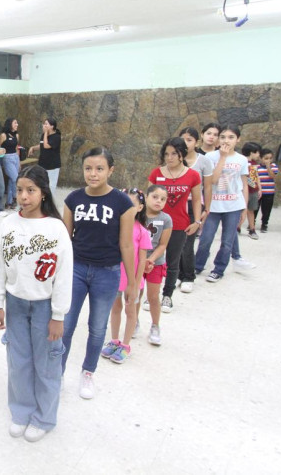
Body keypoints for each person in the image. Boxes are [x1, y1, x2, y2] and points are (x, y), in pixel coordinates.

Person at [0, 165, 72, 442]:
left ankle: (44, 417)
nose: (23, 196)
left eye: (30, 190)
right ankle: (22, 411)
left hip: (45, 307)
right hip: (15, 303)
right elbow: (0, 266)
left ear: (43, 192)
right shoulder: (8, 224)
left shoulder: (56, 228)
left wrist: (58, 315)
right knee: (18, 361)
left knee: (47, 364)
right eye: (19, 190)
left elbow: (63, 275)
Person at [61, 147, 136, 400]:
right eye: (88, 168)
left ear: (110, 170)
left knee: (97, 327)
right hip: (77, 270)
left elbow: (127, 245)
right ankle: (56, 373)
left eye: (100, 168)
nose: (93, 174)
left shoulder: (123, 203)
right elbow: (64, 239)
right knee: (66, 324)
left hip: (107, 272)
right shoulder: (73, 199)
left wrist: (132, 283)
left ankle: (88, 372)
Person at [195, 124, 256, 283]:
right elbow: (212, 181)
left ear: (238, 139)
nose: (226, 141)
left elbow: (243, 184)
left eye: (231, 137)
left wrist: (244, 207)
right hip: (213, 206)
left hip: (234, 206)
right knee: (205, 239)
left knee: (227, 241)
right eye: (222, 137)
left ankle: (218, 269)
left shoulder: (242, 159)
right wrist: (222, 157)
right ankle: (198, 265)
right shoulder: (210, 157)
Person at [146, 137, 201, 313]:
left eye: (174, 154)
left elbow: (197, 200)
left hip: (179, 224)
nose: (169, 158)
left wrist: (197, 222)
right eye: (166, 154)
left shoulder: (193, 175)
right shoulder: (156, 173)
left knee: (173, 261)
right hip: (156, 224)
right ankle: (150, 296)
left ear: (182, 154)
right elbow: (148, 197)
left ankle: (167, 295)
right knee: (152, 257)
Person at [101, 189, 150, 364]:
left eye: (131, 204)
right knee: (115, 309)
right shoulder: (113, 228)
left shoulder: (142, 231)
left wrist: (135, 284)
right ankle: (114, 340)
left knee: (131, 311)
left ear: (140, 207)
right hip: (114, 278)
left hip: (132, 281)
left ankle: (126, 345)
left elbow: (142, 260)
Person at [176, 127, 213, 294]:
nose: (185, 143)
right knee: (176, 242)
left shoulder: (203, 161)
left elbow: (207, 187)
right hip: (175, 205)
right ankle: (178, 273)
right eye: (182, 139)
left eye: (189, 139)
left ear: (196, 142)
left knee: (188, 242)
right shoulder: (174, 159)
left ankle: (188, 277)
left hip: (193, 206)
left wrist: (207, 208)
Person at [140, 185, 172, 345]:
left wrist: (150, 260)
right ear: (146, 197)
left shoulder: (166, 219)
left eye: (163, 199)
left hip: (155, 263)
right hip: (137, 262)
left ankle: (155, 326)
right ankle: (134, 322)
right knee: (134, 296)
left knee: (153, 297)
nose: (158, 201)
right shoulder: (136, 216)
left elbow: (162, 244)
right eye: (155, 197)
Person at [29, 118, 62, 193]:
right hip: (42, 164)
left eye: (46, 124)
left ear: (52, 126)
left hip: (52, 166)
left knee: (51, 186)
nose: (44, 125)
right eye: (44, 123)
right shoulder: (44, 135)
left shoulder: (56, 137)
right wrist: (33, 148)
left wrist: (46, 133)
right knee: (41, 184)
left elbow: (46, 145)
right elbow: (41, 145)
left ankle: (50, 202)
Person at [240, 142, 262, 239]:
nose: (259, 155)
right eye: (258, 153)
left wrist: (259, 189)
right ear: (251, 152)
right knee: (240, 211)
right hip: (242, 191)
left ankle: (252, 229)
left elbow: (256, 177)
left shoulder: (254, 164)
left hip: (253, 191)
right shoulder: (241, 161)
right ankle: (237, 227)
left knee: (251, 210)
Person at [255, 148, 279, 232]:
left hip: (269, 192)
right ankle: (252, 222)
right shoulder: (256, 167)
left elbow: (272, 176)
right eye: (266, 158)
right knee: (255, 208)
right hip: (258, 192)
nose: (268, 160)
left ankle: (264, 224)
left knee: (266, 209)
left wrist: (268, 167)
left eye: (270, 158)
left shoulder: (274, 166)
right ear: (260, 158)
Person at [0, 118, 21, 210]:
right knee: (15, 178)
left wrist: (19, 161)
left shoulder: (17, 135)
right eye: (15, 123)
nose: (17, 124)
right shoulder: (3, 135)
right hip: (7, 158)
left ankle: (9, 202)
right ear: (10, 124)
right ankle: (15, 198)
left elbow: (17, 148)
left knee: (12, 180)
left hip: (15, 157)